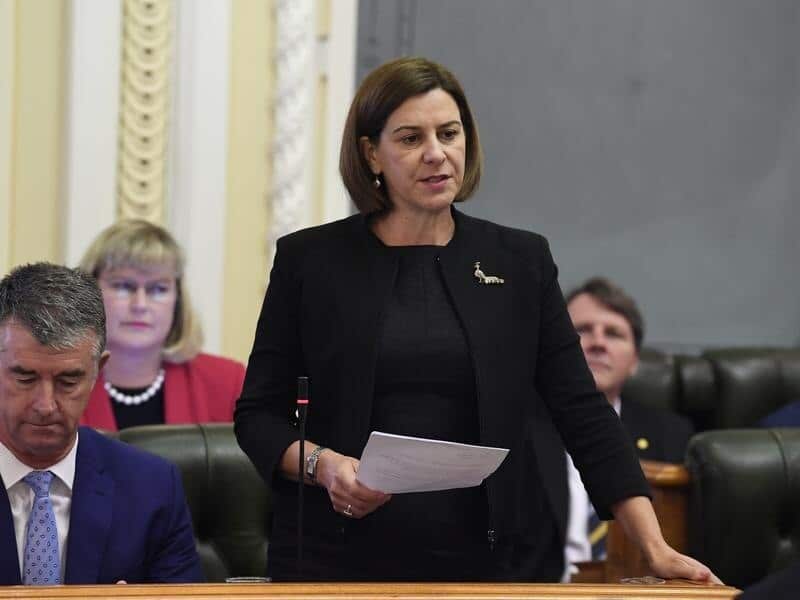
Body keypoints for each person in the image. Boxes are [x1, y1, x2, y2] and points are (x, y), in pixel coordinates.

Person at [234, 56, 720, 583]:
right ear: (371, 152)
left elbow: (583, 412)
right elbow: (258, 415)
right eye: (410, 138)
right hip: (332, 558)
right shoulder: (312, 261)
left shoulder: (520, 260)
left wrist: (654, 546)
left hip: (489, 561)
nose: (436, 154)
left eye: (449, 133)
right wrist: (321, 464)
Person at [0, 262, 203, 584]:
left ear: (98, 369)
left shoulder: (152, 488)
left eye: (69, 380)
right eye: (25, 378)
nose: (45, 405)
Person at [562, 277, 695, 574]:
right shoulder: (516, 429)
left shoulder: (672, 435)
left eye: (613, 333)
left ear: (635, 360)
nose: (597, 342)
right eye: (582, 330)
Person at [77, 219, 245, 431]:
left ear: (178, 300)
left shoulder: (227, 383)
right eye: (122, 286)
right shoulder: (55, 382)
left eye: (158, 289)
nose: (140, 305)